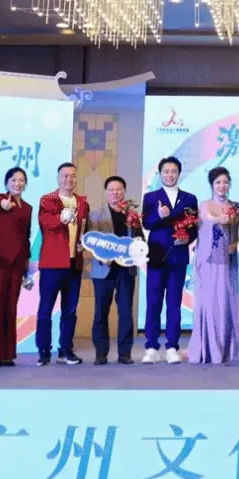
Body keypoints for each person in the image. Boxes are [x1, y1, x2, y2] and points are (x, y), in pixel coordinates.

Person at [142, 156, 198, 364]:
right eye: (166, 171)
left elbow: (193, 228)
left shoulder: (189, 198)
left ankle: (172, 346)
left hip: (178, 257)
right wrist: (158, 215)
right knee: (153, 302)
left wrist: (188, 238)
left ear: (179, 173)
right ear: (160, 173)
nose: (170, 175)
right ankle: (151, 347)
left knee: (174, 303)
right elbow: (146, 224)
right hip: (156, 256)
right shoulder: (150, 197)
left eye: (174, 171)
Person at [188, 166, 239, 364]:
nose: (222, 185)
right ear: (212, 184)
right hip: (207, 262)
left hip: (227, 262)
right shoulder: (203, 206)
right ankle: (207, 348)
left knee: (225, 303)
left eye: (225, 182)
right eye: (218, 182)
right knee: (208, 303)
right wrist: (219, 219)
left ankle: (225, 349)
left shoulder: (236, 207)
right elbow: (202, 228)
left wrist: (236, 244)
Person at [35, 162, 86, 366]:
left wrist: (83, 242)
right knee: (46, 309)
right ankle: (43, 351)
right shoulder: (48, 200)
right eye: (65, 175)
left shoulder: (82, 202)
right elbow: (46, 224)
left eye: (73, 175)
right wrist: (61, 217)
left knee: (70, 310)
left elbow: (84, 228)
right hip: (52, 263)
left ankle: (65, 350)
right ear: (58, 178)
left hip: (74, 263)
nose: (69, 179)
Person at [90, 175, 141, 365]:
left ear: (124, 192)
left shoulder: (132, 215)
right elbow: (91, 240)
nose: (115, 193)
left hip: (126, 269)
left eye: (119, 189)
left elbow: (140, 239)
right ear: (106, 192)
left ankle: (125, 353)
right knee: (100, 312)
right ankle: (100, 353)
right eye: (111, 190)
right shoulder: (96, 215)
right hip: (103, 269)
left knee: (126, 312)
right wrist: (103, 256)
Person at [0, 166, 34, 366]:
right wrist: (4, 203)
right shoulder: (1, 199)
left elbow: (26, 237)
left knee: (12, 307)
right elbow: (0, 203)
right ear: (6, 183)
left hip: (18, 263)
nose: (17, 183)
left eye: (21, 180)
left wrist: (26, 268)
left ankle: (9, 353)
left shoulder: (28, 208)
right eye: (13, 180)